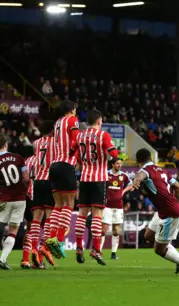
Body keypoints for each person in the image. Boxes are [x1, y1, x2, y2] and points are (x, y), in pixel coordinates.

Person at [131, 148, 179, 276]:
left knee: (158, 249)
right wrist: (176, 201)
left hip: (170, 214)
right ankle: (177, 259)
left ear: (138, 161)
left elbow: (141, 175)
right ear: (151, 158)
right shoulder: (161, 170)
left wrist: (136, 180)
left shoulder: (145, 171)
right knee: (148, 236)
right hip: (164, 210)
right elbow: (178, 186)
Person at [70, 109, 119, 266]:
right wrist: (108, 153)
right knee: (97, 214)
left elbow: (72, 152)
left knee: (82, 214)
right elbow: (115, 153)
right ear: (99, 121)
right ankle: (96, 249)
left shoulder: (80, 135)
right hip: (99, 179)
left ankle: (79, 247)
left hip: (84, 178)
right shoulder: (103, 135)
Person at [0, 133, 30, 270]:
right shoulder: (18, 158)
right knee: (13, 230)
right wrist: (24, 191)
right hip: (20, 199)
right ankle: (3, 260)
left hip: (3, 198)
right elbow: (27, 178)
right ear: (6, 144)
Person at [46, 100, 80, 259]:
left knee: (58, 204)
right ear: (72, 109)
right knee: (69, 204)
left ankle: (52, 237)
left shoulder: (57, 123)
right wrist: (75, 155)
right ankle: (59, 240)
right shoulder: (72, 120)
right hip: (66, 165)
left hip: (54, 165)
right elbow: (76, 140)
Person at [29, 120, 56, 268]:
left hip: (37, 181)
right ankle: (41, 252)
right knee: (49, 219)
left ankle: (33, 247)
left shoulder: (37, 143)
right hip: (50, 180)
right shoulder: (55, 143)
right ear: (53, 131)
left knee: (36, 219)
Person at [102, 159, 133, 260]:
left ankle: (113, 253)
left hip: (119, 206)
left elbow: (131, 185)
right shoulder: (106, 174)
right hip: (107, 206)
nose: (119, 165)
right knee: (104, 230)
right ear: (112, 164)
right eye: (117, 163)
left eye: (120, 163)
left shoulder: (124, 175)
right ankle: (98, 251)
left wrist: (123, 191)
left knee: (116, 231)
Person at [21, 155, 37, 269]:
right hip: (38, 197)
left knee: (30, 228)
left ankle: (25, 259)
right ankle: (37, 260)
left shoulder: (27, 160)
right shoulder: (47, 158)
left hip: (26, 197)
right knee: (42, 228)